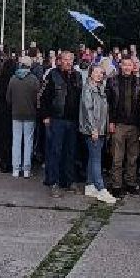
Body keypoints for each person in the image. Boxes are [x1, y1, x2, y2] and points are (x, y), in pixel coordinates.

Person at [39, 51, 82, 196]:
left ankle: (68, 181)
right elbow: (42, 97)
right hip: (57, 119)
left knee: (70, 152)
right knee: (55, 152)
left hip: (73, 120)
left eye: (71, 59)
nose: (68, 62)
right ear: (60, 61)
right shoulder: (52, 75)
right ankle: (53, 182)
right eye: (65, 59)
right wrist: (45, 116)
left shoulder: (77, 76)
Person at [106, 55, 140, 195]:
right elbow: (109, 104)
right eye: (125, 64)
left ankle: (131, 183)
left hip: (135, 125)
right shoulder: (113, 82)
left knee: (133, 157)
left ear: (133, 66)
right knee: (117, 157)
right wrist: (111, 121)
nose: (127, 67)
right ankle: (116, 185)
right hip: (119, 124)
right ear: (120, 66)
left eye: (130, 65)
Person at [79, 64, 118, 203]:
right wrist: (93, 128)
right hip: (93, 130)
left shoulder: (101, 88)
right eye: (96, 72)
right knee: (96, 160)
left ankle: (90, 185)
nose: (99, 75)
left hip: (101, 129)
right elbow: (88, 109)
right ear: (90, 73)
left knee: (93, 157)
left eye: (101, 73)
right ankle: (101, 188)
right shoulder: (88, 89)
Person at [7, 60, 40, 178]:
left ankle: (15, 169)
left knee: (16, 141)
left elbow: (8, 98)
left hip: (15, 113)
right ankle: (26, 169)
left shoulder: (13, 79)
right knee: (28, 141)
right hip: (30, 113)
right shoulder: (34, 80)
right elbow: (38, 98)